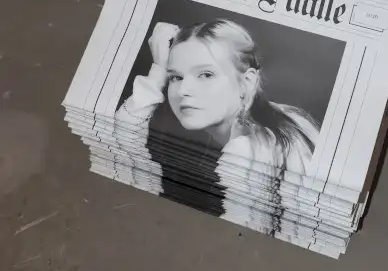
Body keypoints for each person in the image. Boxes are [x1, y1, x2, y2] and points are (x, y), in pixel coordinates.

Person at [114, 18, 319, 234]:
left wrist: (157, 74)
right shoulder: (287, 118)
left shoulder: (246, 152)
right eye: (175, 77)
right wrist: (158, 71)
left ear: (246, 82)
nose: (184, 90)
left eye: (206, 74)